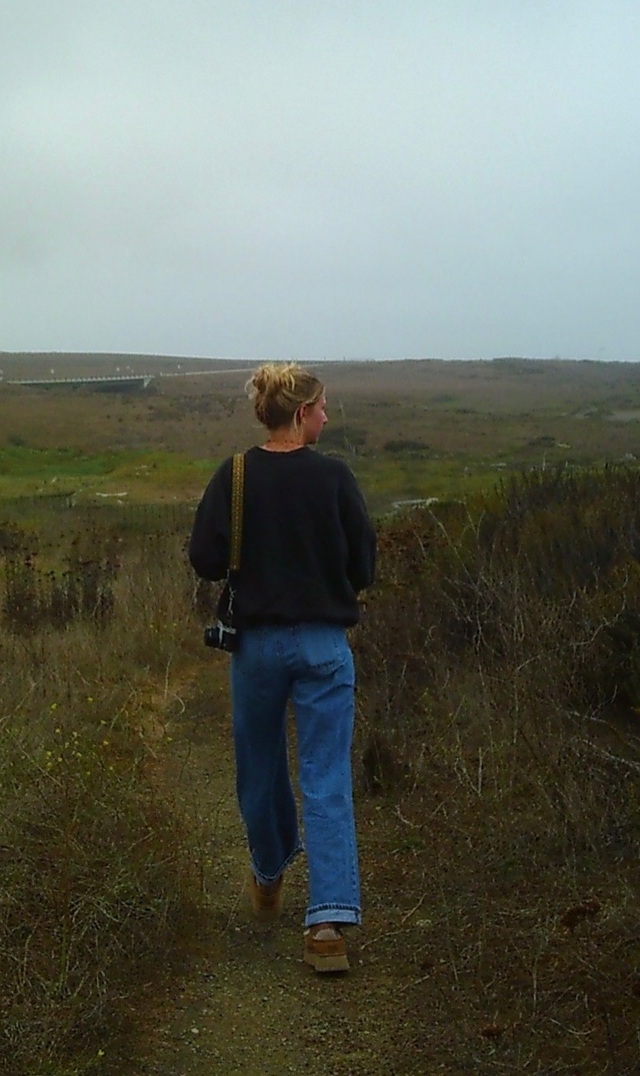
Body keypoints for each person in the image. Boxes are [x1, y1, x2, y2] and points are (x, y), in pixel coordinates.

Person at [188, 362, 376, 974]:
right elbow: (363, 567)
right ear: (300, 414)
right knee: (325, 780)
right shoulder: (335, 479)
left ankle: (269, 873)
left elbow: (206, 559)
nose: (326, 415)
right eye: (321, 407)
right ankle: (326, 927)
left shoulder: (234, 476)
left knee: (260, 771)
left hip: (257, 648)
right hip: (324, 646)